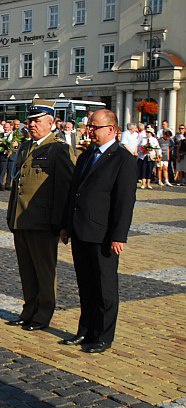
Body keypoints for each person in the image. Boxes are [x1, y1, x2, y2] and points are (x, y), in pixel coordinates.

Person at [60, 109, 136, 353]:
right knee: (86, 285)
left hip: (103, 235)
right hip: (80, 229)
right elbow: (73, 193)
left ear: (111, 130)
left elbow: (124, 201)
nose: (89, 130)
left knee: (104, 288)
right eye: (89, 126)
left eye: (95, 127)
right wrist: (66, 225)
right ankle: (85, 331)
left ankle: (103, 336)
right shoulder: (86, 155)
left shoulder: (122, 159)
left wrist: (118, 235)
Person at [6, 99, 75, 331]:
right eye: (29, 121)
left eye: (36, 121)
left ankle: (43, 314)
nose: (31, 125)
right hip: (21, 218)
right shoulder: (25, 147)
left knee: (44, 271)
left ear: (51, 122)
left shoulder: (59, 149)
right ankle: (29, 310)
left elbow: (65, 189)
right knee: (26, 269)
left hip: (43, 222)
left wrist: (61, 223)